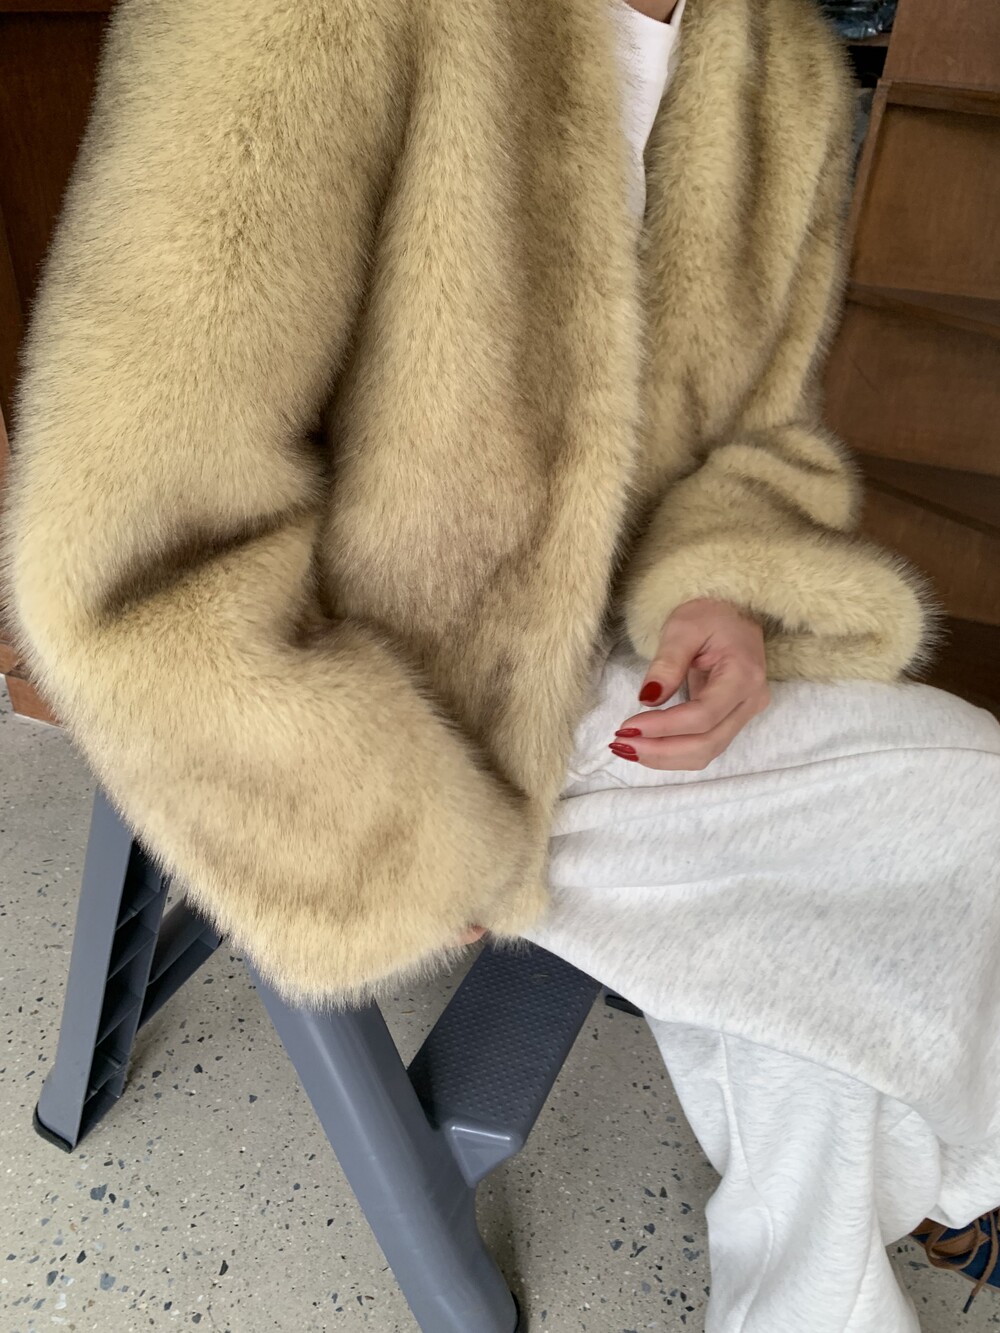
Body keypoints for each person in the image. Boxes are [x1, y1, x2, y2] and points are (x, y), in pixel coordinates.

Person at [3, 0, 999, 1329]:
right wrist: (390, 823)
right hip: (404, 719)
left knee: (879, 900)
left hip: (625, 681)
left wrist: (723, 585)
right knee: (928, 850)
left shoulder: (787, 75)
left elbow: (763, 436)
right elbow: (138, 550)